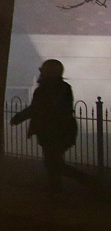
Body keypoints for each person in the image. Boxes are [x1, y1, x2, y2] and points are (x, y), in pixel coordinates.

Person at [11, 59, 94, 192]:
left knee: (53, 164)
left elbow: (35, 109)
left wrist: (18, 118)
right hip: (64, 130)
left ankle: (82, 182)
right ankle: (58, 189)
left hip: (50, 132)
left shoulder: (43, 90)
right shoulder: (65, 88)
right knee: (53, 163)